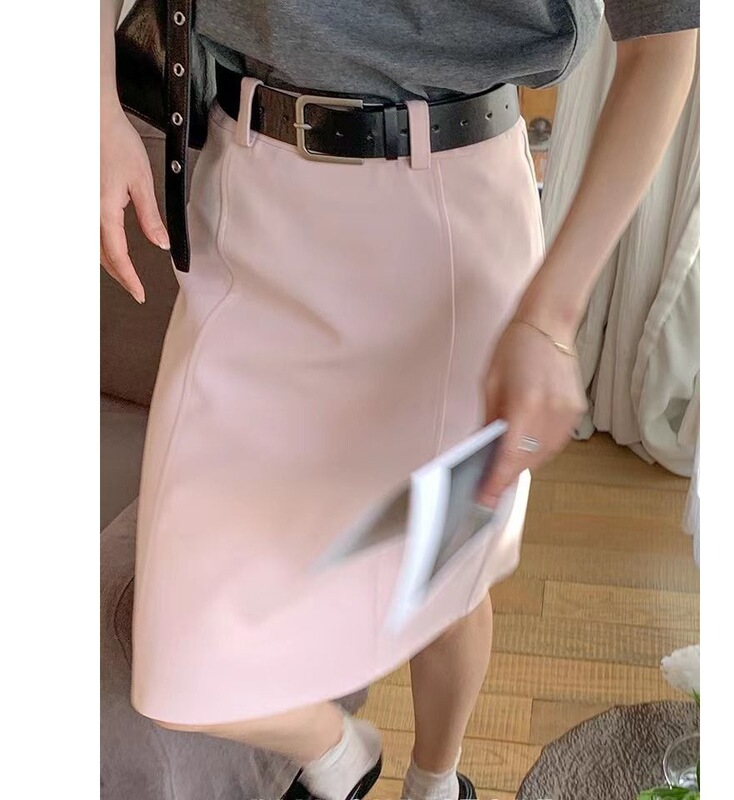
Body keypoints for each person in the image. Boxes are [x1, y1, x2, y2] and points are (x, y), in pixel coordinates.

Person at [100, 2, 699, 799]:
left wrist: (553, 316)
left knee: (444, 576)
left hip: (446, 227)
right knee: (175, 670)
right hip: (243, 201)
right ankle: (339, 752)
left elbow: (665, 43)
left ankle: (436, 782)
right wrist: (93, 105)